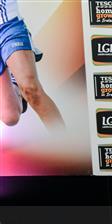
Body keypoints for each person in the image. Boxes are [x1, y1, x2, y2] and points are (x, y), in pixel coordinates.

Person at [0, 0, 65, 129]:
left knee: (31, 89)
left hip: (7, 24)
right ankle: (14, 81)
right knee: (10, 116)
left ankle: (67, 146)